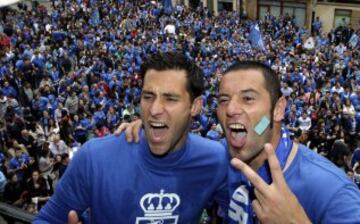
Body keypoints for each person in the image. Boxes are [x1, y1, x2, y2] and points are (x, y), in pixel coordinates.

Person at [118, 61, 360, 223]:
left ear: (277, 110)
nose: (231, 109)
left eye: (248, 98)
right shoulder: (218, 157)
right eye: (223, 99)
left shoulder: (334, 192)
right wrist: (149, 126)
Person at [34, 52, 228, 223]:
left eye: (170, 99)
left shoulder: (215, 159)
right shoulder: (95, 158)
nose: (154, 109)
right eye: (148, 96)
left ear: (195, 106)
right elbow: (47, 219)